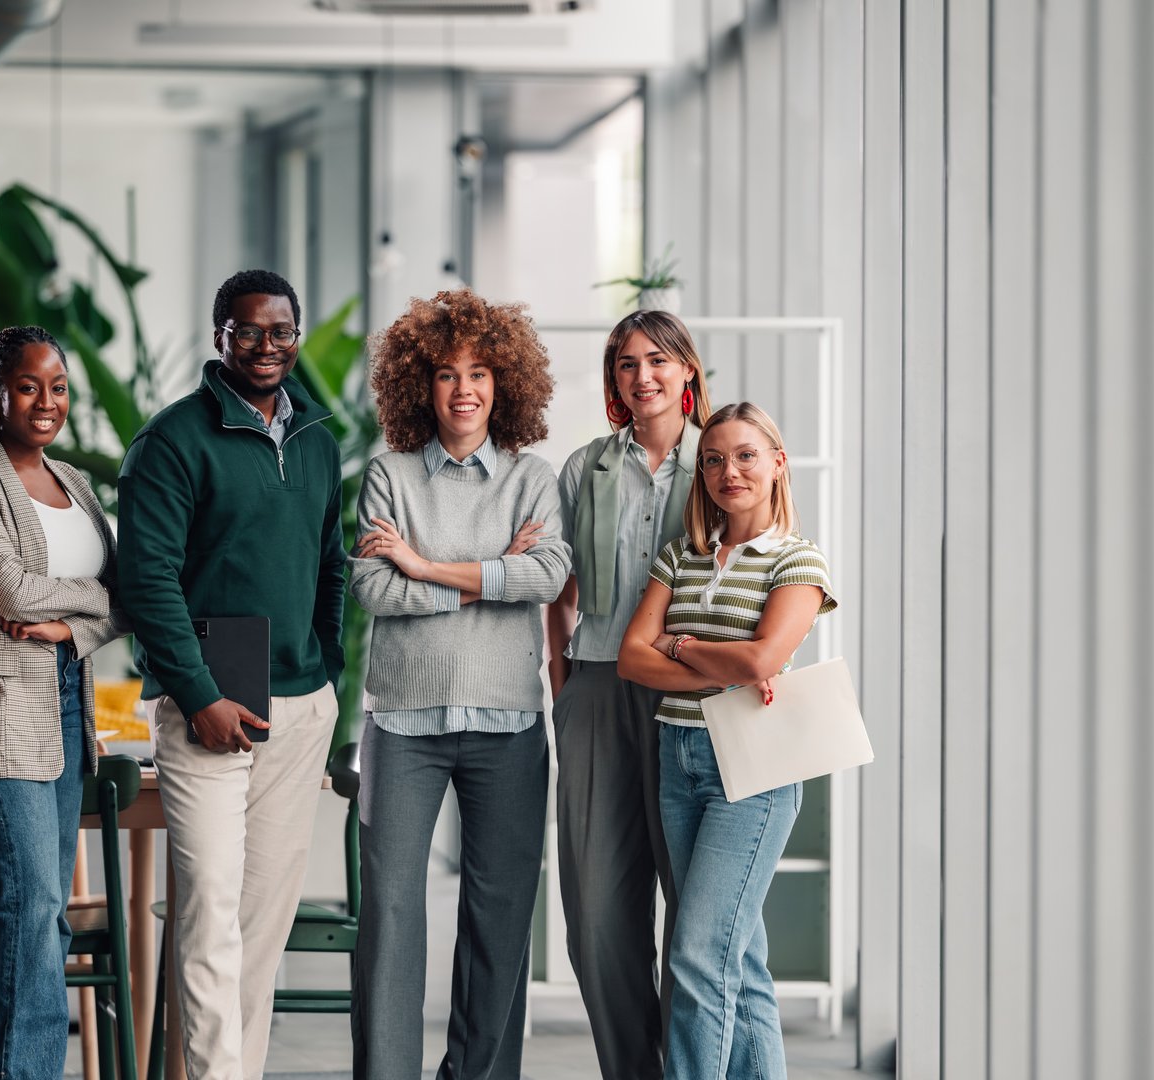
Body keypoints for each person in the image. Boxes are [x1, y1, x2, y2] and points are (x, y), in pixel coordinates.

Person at [117, 269, 346, 1080]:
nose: (265, 346)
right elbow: (145, 582)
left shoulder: (319, 439)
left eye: (280, 331)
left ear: (296, 333)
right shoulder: (172, 440)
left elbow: (331, 568)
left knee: (259, 926)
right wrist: (201, 694)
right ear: (220, 336)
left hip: (298, 707)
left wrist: (328, 680)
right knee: (210, 912)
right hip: (207, 709)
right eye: (247, 331)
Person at [348, 289, 570, 1080]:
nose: (464, 388)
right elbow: (374, 591)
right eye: (446, 373)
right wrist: (487, 574)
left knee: (500, 915)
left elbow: (545, 574)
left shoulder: (533, 479)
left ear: (504, 383)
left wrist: (422, 564)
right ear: (421, 385)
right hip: (401, 724)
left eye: (479, 372)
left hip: (508, 723)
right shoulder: (390, 476)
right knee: (392, 916)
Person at [0, 326, 129, 1079]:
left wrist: (69, 626)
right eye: (26, 386)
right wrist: (98, 599)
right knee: (33, 906)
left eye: (58, 387)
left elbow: (131, 597)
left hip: (68, 701)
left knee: (38, 911)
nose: (45, 402)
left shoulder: (75, 482)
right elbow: (9, 590)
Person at [617, 402, 836, 1080]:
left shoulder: (798, 559)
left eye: (744, 455)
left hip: (753, 770)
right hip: (676, 759)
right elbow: (630, 658)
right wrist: (721, 660)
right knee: (735, 957)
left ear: (776, 464)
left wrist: (677, 644)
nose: (726, 471)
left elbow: (761, 662)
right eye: (712, 459)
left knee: (697, 956)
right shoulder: (679, 555)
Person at [546, 310, 713, 1079]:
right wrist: (564, 682)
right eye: (624, 364)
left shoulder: (719, 463)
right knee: (597, 917)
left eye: (656, 360)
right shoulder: (585, 468)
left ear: (686, 371)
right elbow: (561, 587)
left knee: (696, 911)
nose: (641, 376)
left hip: (692, 697)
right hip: (599, 690)